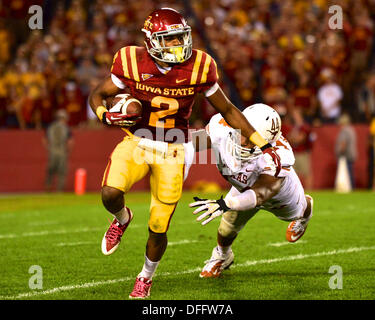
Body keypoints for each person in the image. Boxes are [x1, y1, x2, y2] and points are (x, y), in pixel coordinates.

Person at [88, 8, 281, 299]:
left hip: (173, 149)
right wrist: (105, 116)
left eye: (180, 38)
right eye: (170, 39)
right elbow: (97, 95)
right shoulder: (129, 59)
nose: (177, 45)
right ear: (151, 41)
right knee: (109, 193)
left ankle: (145, 277)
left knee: (158, 225)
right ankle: (122, 218)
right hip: (137, 140)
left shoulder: (200, 65)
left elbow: (228, 110)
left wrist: (264, 145)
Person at [188, 104, 313, 278]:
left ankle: (307, 210)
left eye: (251, 138)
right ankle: (222, 256)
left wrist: (225, 203)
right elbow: (193, 143)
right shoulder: (223, 126)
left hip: (276, 195)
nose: (243, 140)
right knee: (227, 227)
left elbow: (262, 193)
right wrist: (166, 147)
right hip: (243, 187)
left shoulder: (279, 155)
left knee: (296, 212)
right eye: (243, 132)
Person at [43, 109, 74, 192]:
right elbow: (70, 142)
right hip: (62, 151)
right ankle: (59, 189)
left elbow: (44, 140)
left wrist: (49, 148)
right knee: (62, 171)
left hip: (52, 151)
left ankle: (48, 187)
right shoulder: (66, 128)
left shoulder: (50, 127)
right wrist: (68, 150)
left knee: (50, 170)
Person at [335, 113, 357, 190]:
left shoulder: (344, 131)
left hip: (345, 155)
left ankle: (351, 188)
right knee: (350, 173)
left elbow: (343, 144)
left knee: (347, 174)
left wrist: (339, 152)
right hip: (351, 154)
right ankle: (352, 188)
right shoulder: (351, 129)